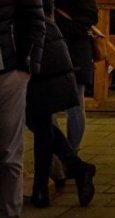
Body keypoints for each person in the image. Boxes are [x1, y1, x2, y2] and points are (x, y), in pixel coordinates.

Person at [26, 10, 96, 208]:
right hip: (47, 47)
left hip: (40, 52)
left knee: (37, 120)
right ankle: (73, 168)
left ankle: (43, 188)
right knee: (39, 120)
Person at [0, 0, 45, 218]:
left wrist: (29, 63)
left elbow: (37, 18)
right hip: (12, 68)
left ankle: (9, 211)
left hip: (9, 68)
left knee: (8, 151)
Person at [40, 0, 97, 153]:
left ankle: (70, 153)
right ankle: (60, 153)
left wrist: (64, 31)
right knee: (46, 105)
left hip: (73, 47)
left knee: (75, 103)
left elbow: (90, 14)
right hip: (49, 47)